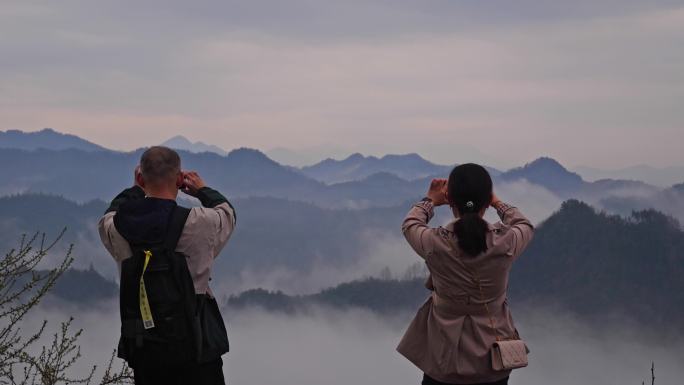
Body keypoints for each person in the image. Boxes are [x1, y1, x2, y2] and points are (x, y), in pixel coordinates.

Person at [98, 146, 236, 385]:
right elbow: (227, 214)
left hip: (147, 353)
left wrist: (135, 189)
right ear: (179, 178)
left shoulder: (118, 228)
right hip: (197, 351)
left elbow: (108, 216)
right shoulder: (200, 223)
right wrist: (202, 189)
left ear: (141, 177)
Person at [397, 163, 534, 385]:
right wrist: (497, 202)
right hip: (494, 360)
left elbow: (410, 224)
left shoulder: (435, 243)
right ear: (486, 201)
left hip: (442, 361)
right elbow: (524, 224)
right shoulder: (505, 243)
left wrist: (429, 200)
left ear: (450, 199)